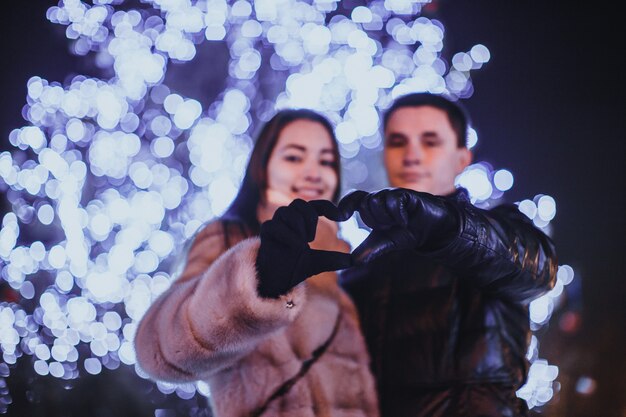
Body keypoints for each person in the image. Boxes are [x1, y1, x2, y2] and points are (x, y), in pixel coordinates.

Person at [134, 109, 379, 416]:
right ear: (263, 169)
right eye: (294, 157)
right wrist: (258, 282)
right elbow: (159, 348)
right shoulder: (232, 237)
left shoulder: (344, 261)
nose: (314, 172)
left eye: (326, 161)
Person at [338, 93, 558, 417]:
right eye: (398, 142)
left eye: (430, 142)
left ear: (462, 158)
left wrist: (448, 227)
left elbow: (539, 269)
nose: (412, 155)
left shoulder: (499, 231)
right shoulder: (362, 265)